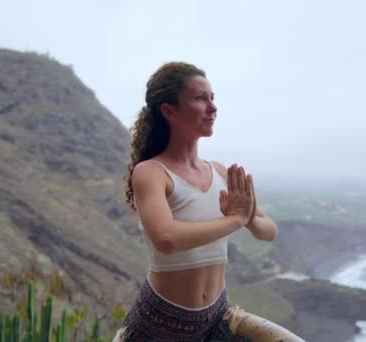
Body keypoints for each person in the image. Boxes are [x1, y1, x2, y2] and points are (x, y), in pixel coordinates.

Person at [113, 62, 306, 341]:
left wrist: (248, 216)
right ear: (169, 111)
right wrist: (234, 220)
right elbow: (166, 238)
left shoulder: (220, 172)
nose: (213, 107)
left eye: (212, 98)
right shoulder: (151, 173)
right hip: (161, 324)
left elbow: (269, 230)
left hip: (218, 317)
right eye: (200, 99)